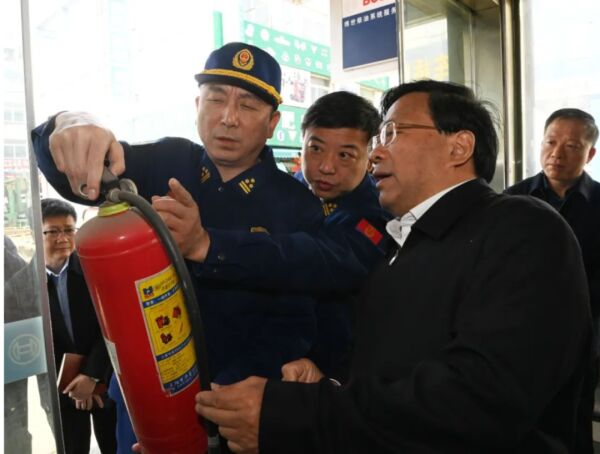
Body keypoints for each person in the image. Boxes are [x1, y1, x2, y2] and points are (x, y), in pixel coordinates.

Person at [195, 80, 592, 454]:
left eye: (392, 133)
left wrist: (300, 414)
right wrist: (329, 383)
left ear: (459, 147)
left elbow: (480, 402)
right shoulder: (402, 248)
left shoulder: (523, 228)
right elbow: (393, 376)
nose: (376, 154)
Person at [31, 42, 328, 452]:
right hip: (143, 402)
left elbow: (296, 320)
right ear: (197, 104)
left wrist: (229, 394)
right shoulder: (165, 161)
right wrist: (68, 124)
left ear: (273, 123)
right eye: (216, 99)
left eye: (247, 105)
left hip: (234, 408)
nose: (228, 117)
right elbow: (84, 175)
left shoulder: (297, 205)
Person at [505, 108, 599, 453]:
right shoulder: (510, 201)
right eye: (550, 142)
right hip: (520, 335)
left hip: (583, 337)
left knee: (575, 422)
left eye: (571, 146)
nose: (557, 153)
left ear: (590, 154)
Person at [40, 198, 116, 454]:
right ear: (36, 233)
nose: (62, 238)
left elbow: (111, 325)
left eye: (69, 230)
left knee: (114, 444)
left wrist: (91, 376)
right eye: (53, 231)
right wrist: (74, 387)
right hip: (61, 392)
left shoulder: (95, 268)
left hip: (103, 380)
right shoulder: (24, 285)